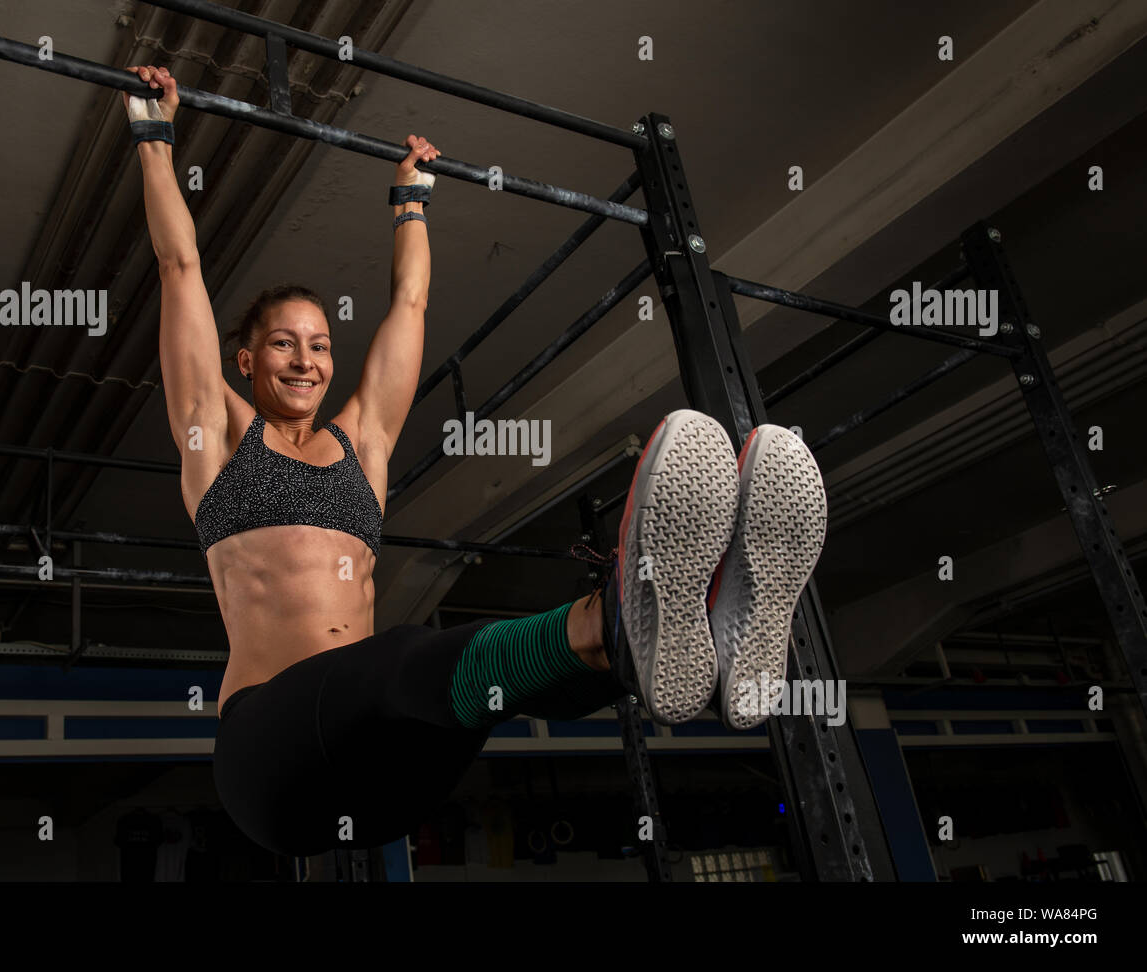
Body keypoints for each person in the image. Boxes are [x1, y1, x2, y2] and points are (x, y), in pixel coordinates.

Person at [124, 65, 829, 858]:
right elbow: (179, 268)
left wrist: (412, 202)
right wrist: (154, 136)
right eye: (282, 343)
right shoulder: (215, 435)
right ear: (245, 360)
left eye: (320, 344)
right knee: (401, 659)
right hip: (271, 762)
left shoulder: (365, 442)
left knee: (476, 690)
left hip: (383, 775)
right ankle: (622, 616)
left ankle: (686, 627)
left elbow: (410, 306)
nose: (306, 360)